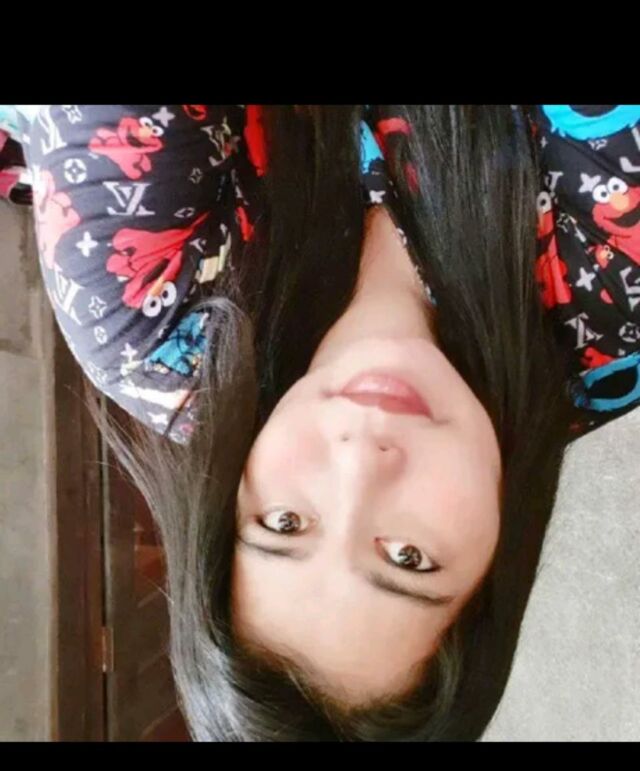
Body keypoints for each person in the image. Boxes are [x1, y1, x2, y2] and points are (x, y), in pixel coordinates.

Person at [11, 104, 640, 740]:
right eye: (408, 557)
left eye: (284, 523)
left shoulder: (151, 323)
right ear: (496, 569)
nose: (359, 459)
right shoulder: (613, 303)